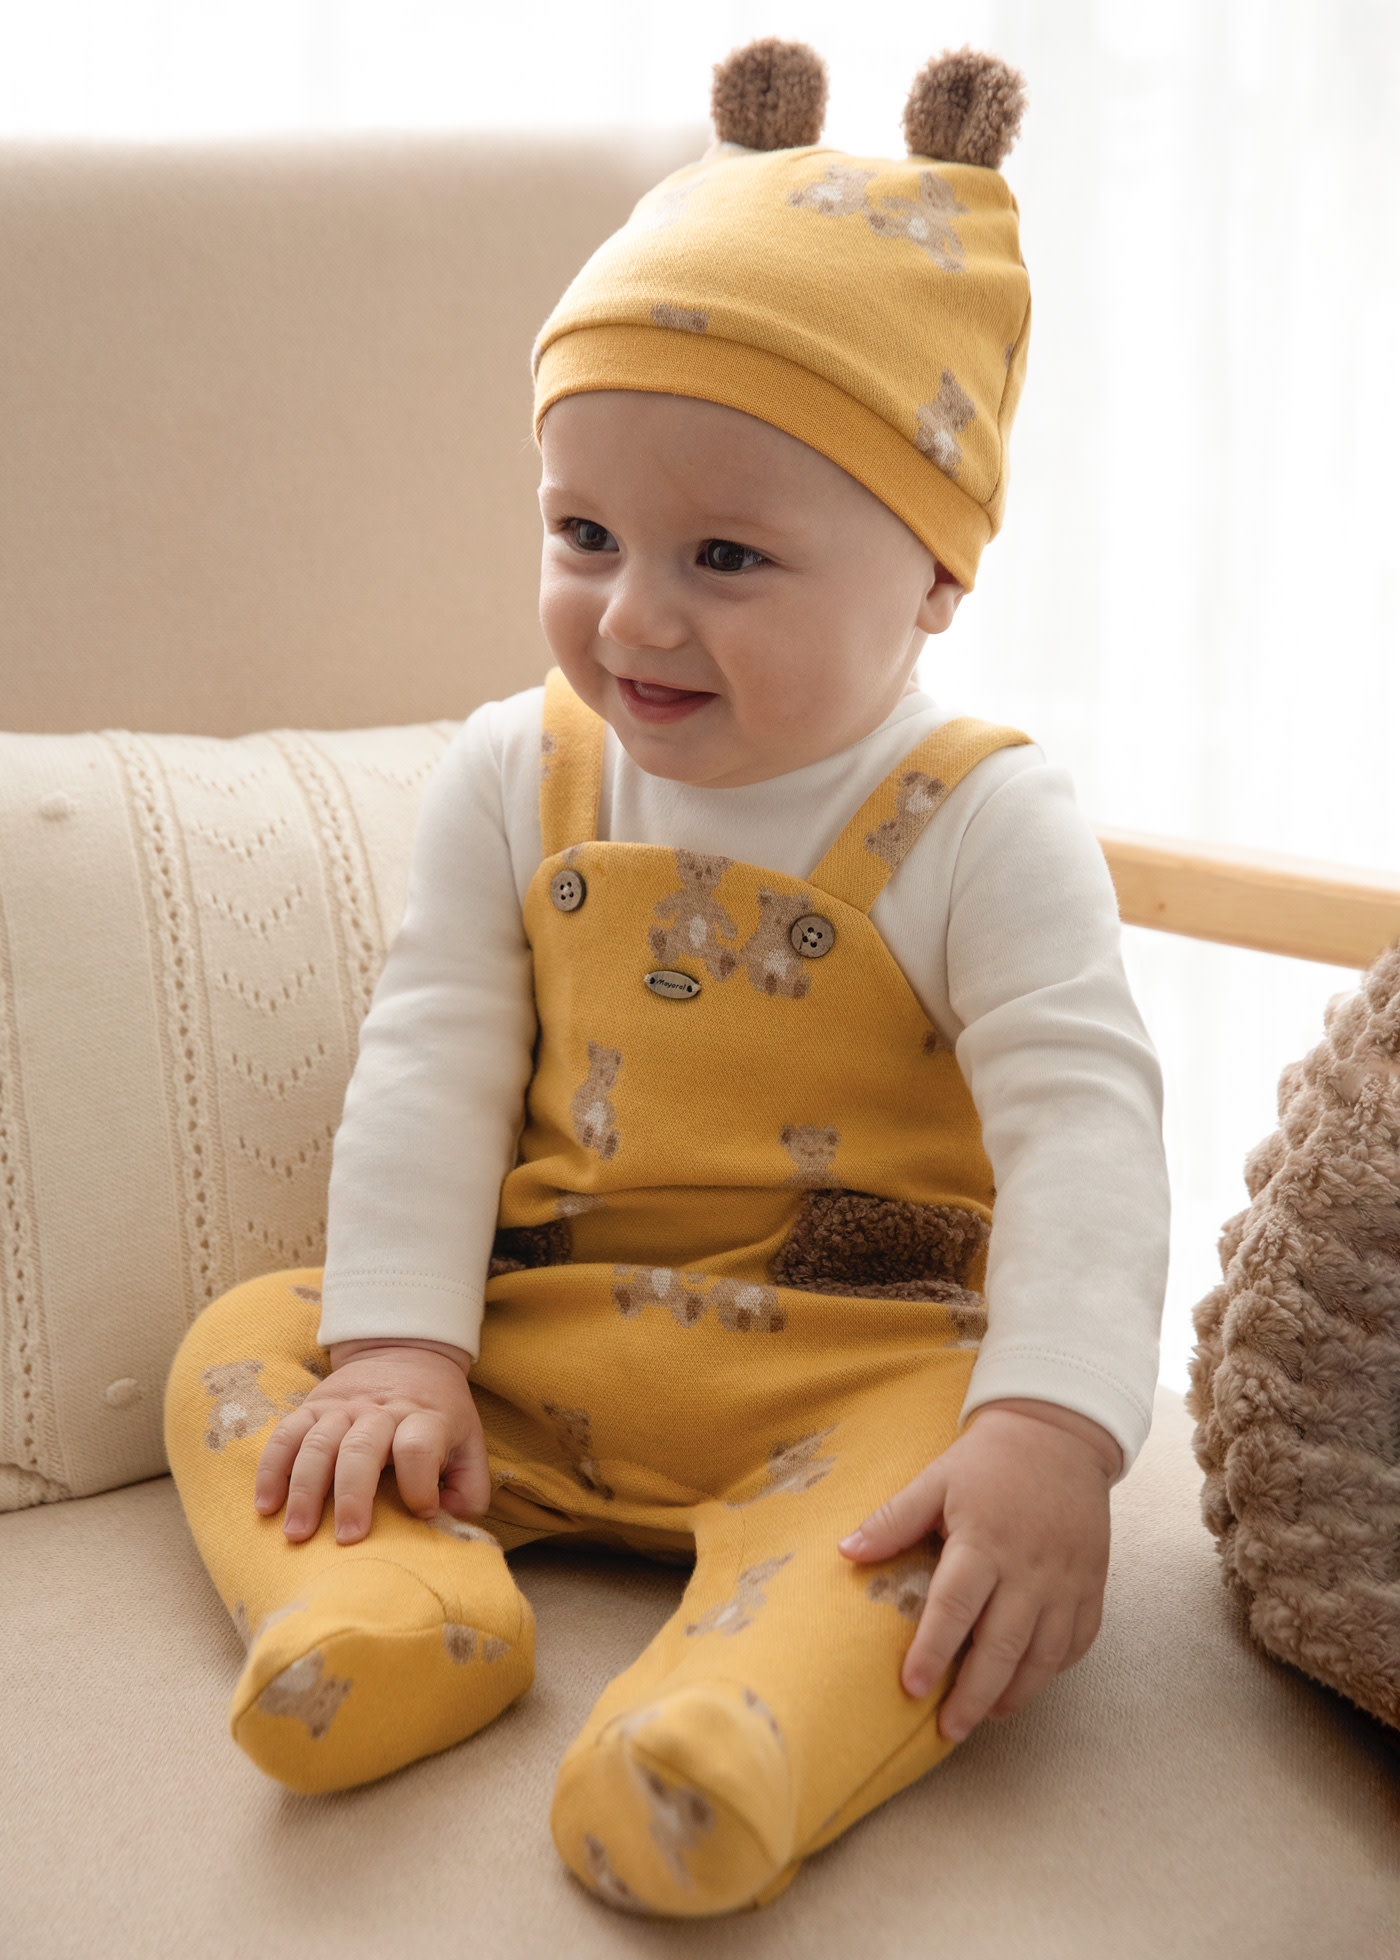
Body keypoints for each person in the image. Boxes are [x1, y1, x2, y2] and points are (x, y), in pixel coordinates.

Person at [165, 39, 1169, 1918]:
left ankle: (734, 1732)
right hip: (551, 1336)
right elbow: (436, 1057)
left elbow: (1087, 1124)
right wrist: (399, 1343)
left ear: (936, 571)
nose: (632, 615)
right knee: (247, 1342)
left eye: (725, 554)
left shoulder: (977, 820)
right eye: (584, 534)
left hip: (858, 1371)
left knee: (935, 1522)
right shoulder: (510, 768)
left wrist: (1051, 1427)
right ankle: (390, 1602)